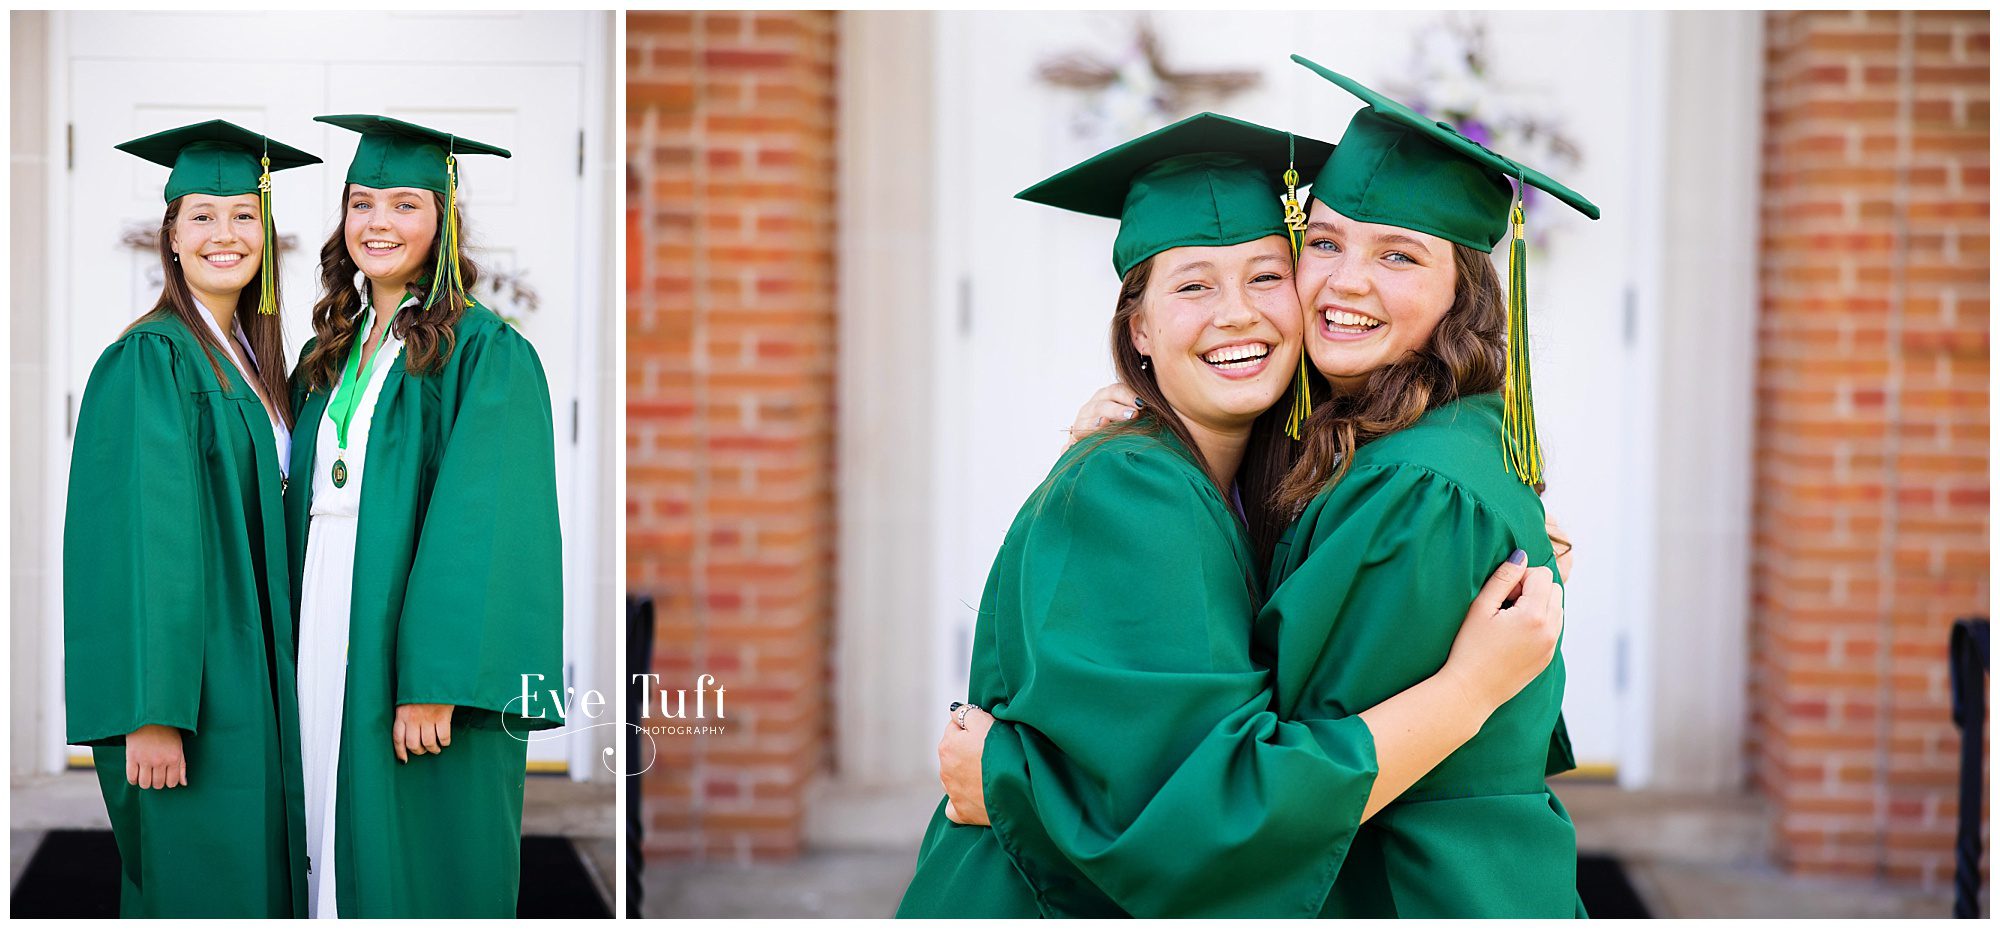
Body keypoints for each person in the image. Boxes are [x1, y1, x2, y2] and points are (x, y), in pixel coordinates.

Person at [944, 58, 1601, 918]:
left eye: (1265, 274)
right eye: (1323, 243)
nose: (1241, 312)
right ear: (1137, 329)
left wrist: (1011, 783)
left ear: (1461, 294)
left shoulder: (1403, 484)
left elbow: (1236, 809)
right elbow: (1220, 805)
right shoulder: (1145, 485)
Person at [286, 114, 565, 918]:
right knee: (324, 811)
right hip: (322, 610)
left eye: (405, 204)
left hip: (402, 631)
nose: (379, 223)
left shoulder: (485, 351)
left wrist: (436, 679)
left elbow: (486, 528)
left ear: (443, 221)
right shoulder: (328, 351)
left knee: (408, 845)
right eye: (362, 203)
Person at [65, 120, 319, 917]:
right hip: (196, 691)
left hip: (256, 674)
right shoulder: (153, 358)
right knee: (203, 886)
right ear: (171, 236)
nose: (225, 234)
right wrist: (151, 712)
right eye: (202, 216)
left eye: (244, 215)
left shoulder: (256, 361)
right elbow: (143, 546)